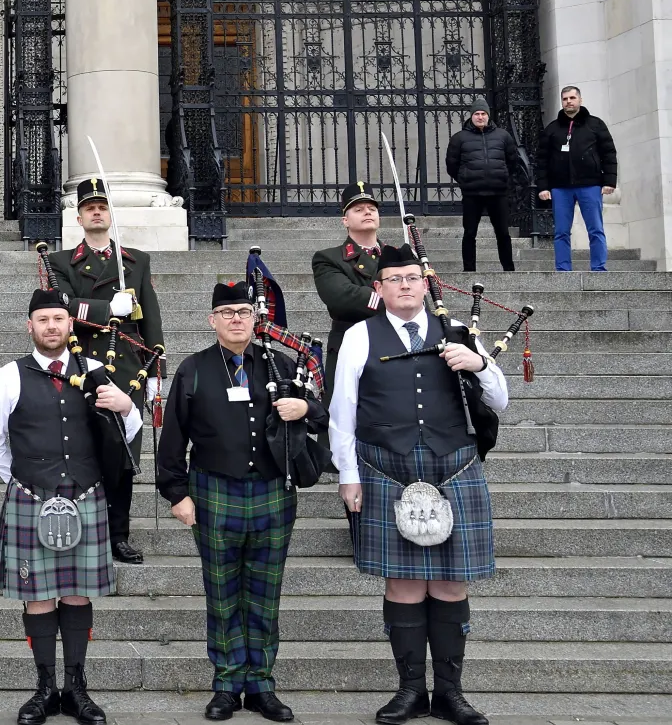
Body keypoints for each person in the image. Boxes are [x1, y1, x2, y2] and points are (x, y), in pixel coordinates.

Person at [329, 245, 509, 725]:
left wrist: (478, 363)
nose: (405, 285)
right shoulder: (359, 336)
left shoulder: (457, 332)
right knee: (403, 582)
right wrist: (347, 474)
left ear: (425, 284)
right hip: (385, 465)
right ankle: (410, 691)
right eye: (395, 278)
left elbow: (501, 398)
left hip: (453, 464)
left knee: (450, 585)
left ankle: (451, 693)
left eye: (413, 277)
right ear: (379, 288)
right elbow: (342, 409)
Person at [156, 281, 325, 722]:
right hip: (213, 492)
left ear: (255, 319)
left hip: (272, 492)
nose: (236, 319)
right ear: (212, 320)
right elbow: (172, 436)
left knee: (265, 595)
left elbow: (322, 415)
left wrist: (304, 410)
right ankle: (228, 684)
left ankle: (262, 685)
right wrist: (176, 493)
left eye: (243, 312)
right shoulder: (193, 369)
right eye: (227, 312)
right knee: (223, 594)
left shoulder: (281, 363)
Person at [0, 287, 140, 725]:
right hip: (32, 496)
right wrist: (23, 479)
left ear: (71, 326)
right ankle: (45, 688)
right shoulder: (9, 375)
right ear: (30, 326)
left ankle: (77, 688)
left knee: (76, 593)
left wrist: (127, 406)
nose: (51, 326)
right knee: (37, 598)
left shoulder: (95, 370)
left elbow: (130, 425)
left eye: (59, 319)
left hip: (85, 495)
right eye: (43, 319)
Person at [46, 176, 164, 564]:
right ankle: (78, 531)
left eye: (102, 206)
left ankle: (118, 534)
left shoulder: (136, 261)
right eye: (89, 208)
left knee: (122, 453)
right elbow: (61, 305)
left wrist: (155, 369)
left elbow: (153, 319)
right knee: (76, 449)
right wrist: (103, 310)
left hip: (127, 362)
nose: (96, 212)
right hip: (81, 360)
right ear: (78, 217)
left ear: (111, 215)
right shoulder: (62, 261)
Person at [312, 183, 386, 405]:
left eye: (372, 208)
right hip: (350, 348)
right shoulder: (328, 258)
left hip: (394, 343)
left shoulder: (398, 256)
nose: (367, 212)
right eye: (358, 209)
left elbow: (419, 301)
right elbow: (343, 298)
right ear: (345, 220)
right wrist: (397, 300)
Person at [536, 85, 618, 272]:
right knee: (561, 232)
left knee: (595, 229)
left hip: (590, 185)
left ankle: (598, 268)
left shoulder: (595, 125)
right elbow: (542, 160)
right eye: (565, 99)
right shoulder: (552, 129)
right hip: (560, 187)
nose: (569, 102)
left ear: (580, 100)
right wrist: (543, 186)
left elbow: (609, 153)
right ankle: (563, 269)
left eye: (572, 98)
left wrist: (609, 181)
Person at [446, 97, 525, 273]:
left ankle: (508, 268)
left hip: (498, 192)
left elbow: (513, 161)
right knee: (469, 233)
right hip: (472, 193)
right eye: (476, 114)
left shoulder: (503, 136)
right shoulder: (459, 138)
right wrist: (464, 178)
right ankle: (469, 270)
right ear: (471, 116)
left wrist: (503, 177)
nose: (480, 117)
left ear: (488, 116)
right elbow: (452, 165)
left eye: (483, 114)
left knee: (503, 233)